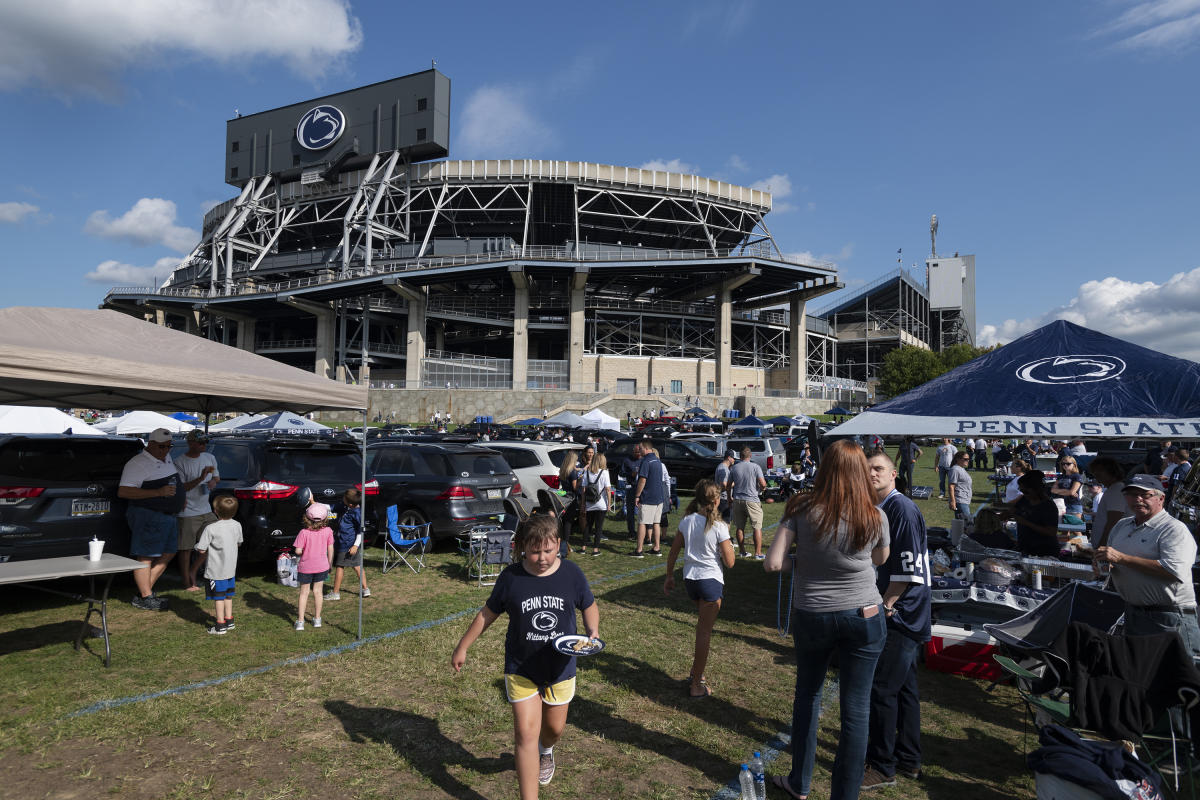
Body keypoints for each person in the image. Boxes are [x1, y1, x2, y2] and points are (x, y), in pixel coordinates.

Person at [764, 440, 890, 800]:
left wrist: (804, 561)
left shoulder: (802, 507)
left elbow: (773, 563)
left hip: (814, 614)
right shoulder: (875, 513)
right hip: (864, 614)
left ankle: (800, 783)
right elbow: (880, 559)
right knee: (856, 708)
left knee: (808, 696)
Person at [451, 516, 599, 798]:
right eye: (534, 551)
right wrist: (463, 646)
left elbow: (589, 605)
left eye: (548, 550)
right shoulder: (511, 578)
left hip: (561, 668)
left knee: (553, 729)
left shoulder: (572, 574)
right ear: (520, 548)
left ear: (558, 544)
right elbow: (487, 613)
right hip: (521, 667)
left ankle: (547, 751)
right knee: (525, 736)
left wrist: (593, 631)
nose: (541, 558)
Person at [863, 453, 931, 790]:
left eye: (878, 468)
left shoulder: (899, 508)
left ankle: (881, 766)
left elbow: (908, 568)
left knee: (881, 690)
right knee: (905, 690)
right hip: (905, 611)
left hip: (902, 612)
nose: (872, 473)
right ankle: (908, 759)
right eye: (868, 469)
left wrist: (886, 605)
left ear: (893, 473)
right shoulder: (882, 508)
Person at [1095, 474, 1200, 656]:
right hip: (1132, 613)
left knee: (1175, 677)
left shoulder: (1173, 529)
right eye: (1131, 494)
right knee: (1140, 676)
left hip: (1168, 617)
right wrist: (1105, 565)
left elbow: (1173, 570)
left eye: (1145, 495)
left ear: (1161, 498)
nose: (1138, 500)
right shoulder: (1122, 525)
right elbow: (1115, 561)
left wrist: (1121, 558)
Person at [663, 479, 735, 699]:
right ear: (715, 500)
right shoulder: (720, 527)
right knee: (704, 633)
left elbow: (674, 551)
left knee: (702, 629)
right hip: (710, 581)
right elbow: (730, 562)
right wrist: (727, 546)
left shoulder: (686, 521)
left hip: (691, 581)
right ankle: (696, 684)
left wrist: (669, 576)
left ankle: (696, 673)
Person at [118, 428, 185, 610]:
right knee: (146, 556)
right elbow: (124, 491)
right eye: (162, 447)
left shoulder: (166, 457)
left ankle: (144, 593)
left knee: (170, 551)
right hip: (147, 514)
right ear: (151, 444)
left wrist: (181, 499)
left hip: (168, 515)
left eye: (169, 446)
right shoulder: (137, 463)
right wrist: (158, 492)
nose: (166, 450)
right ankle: (146, 596)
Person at [174, 429, 220, 591]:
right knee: (185, 548)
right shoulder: (179, 462)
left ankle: (193, 571)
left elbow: (216, 476)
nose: (203, 445)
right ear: (190, 443)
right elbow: (182, 488)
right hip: (188, 512)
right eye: (200, 442)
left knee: (214, 541)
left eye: (205, 442)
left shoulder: (210, 457)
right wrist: (201, 478)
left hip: (206, 509)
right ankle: (187, 582)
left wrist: (213, 481)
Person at [195, 495, 242, 635]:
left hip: (216, 571)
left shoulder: (211, 528)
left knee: (219, 597)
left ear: (215, 510)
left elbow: (202, 549)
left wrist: (197, 545)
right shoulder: (237, 525)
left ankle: (220, 625)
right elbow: (239, 543)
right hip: (230, 570)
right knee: (228, 595)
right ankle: (229, 620)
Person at [293, 502, 334, 631]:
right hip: (322, 566)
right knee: (318, 592)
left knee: (304, 593)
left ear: (307, 517)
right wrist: (329, 563)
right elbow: (330, 548)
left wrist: (303, 550)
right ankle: (317, 619)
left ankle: (300, 622)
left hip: (306, 567)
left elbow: (298, 551)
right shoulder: (328, 531)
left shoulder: (303, 532)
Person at [329, 488, 370, 600]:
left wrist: (356, 545)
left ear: (351, 504)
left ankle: (335, 593)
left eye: (344, 499)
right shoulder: (345, 506)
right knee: (357, 566)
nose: (342, 499)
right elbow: (330, 507)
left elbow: (360, 531)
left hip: (347, 544)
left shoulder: (357, 514)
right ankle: (365, 589)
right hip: (347, 543)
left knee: (340, 566)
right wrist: (315, 504)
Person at [1008, 471, 1060, 557]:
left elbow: (1051, 532)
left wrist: (1026, 522)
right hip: (1025, 548)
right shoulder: (1024, 499)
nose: (1024, 493)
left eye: (1026, 491)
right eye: (1021, 490)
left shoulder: (1048, 506)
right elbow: (1012, 511)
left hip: (1044, 552)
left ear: (1036, 489)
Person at [727, 447, 767, 559]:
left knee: (740, 527)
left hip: (738, 499)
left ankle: (742, 551)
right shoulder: (755, 467)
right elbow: (763, 484)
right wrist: (762, 489)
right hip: (752, 500)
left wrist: (730, 498)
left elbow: (729, 485)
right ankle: (758, 553)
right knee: (757, 527)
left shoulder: (734, 468)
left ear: (740, 456)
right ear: (750, 456)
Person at [633, 442, 667, 557]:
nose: (639, 451)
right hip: (659, 497)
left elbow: (642, 480)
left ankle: (639, 550)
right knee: (656, 522)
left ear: (646, 449)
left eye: (641, 449)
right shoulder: (658, 461)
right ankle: (657, 547)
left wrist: (637, 495)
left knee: (642, 522)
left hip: (648, 497)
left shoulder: (646, 461)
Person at [1086, 456, 1127, 548]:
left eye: (1099, 470)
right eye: (1094, 471)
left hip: (1108, 549)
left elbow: (1114, 521)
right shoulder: (1113, 489)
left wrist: (1102, 546)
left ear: (1111, 471)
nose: (1095, 474)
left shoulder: (1116, 490)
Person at [580, 453, 610, 556]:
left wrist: (583, 504)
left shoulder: (587, 472)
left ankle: (583, 547)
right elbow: (608, 489)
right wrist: (609, 504)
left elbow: (583, 490)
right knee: (598, 527)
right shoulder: (605, 473)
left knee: (588, 525)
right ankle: (595, 549)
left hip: (589, 502)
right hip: (601, 503)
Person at [620, 443, 643, 541]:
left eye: (640, 452)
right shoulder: (627, 460)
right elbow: (621, 472)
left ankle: (642, 532)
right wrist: (630, 474)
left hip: (642, 489)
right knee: (630, 511)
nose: (638, 454)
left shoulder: (644, 460)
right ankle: (631, 532)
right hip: (631, 487)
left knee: (643, 511)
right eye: (636, 452)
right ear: (633, 451)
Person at [947, 451, 973, 523]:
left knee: (963, 524)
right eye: (965, 459)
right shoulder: (955, 469)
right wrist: (952, 501)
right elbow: (951, 486)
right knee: (967, 523)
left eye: (968, 459)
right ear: (958, 459)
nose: (967, 460)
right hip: (960, 500)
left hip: (965, 500)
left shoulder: (961, 468)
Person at [714, 449, 736, 522]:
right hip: (723, 499)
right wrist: (735, 483)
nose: (734, 460)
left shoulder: (723, 467)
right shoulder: (724, 469)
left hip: (723, 499)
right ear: (729, 458)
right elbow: (724, 485)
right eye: (733, 458)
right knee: (726, 522)